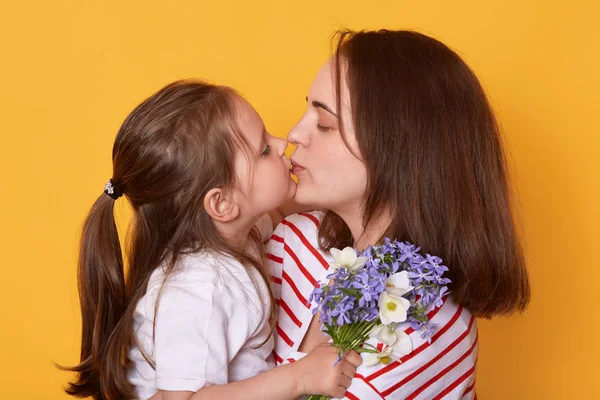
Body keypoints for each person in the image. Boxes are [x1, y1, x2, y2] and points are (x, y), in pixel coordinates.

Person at [267, 29, 530, 399]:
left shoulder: (430, 335)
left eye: (325, 124)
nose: (294, 133)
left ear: (398, 152)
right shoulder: (291, 241)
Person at [61, 80, 361, 400]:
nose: (282, 141)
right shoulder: (201, 287)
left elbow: (303, 205)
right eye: (263, 149)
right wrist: (299, 378)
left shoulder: (242, 228)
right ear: (221, 205)